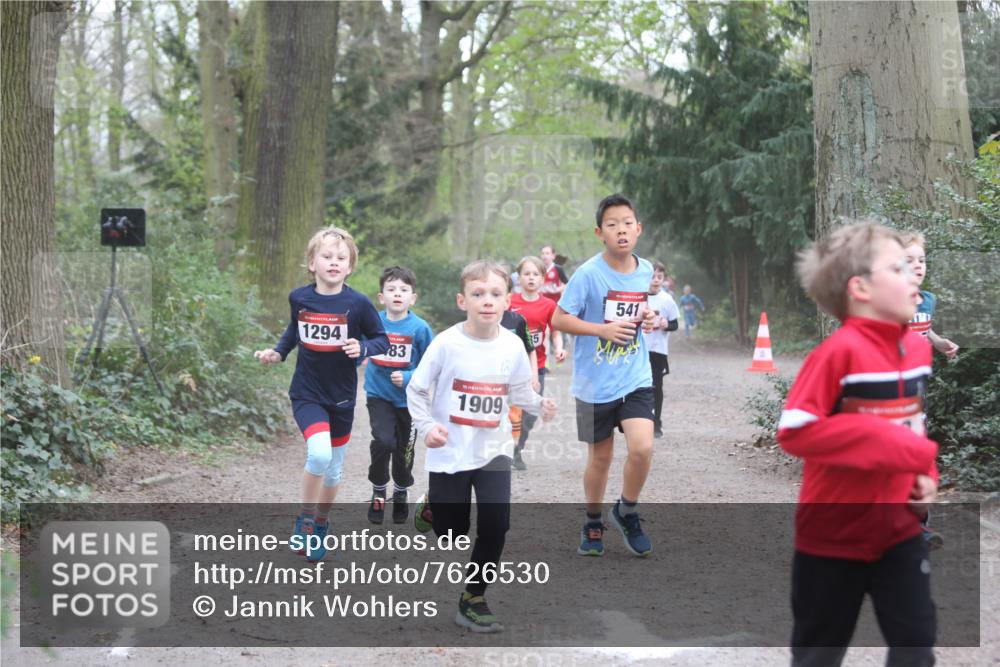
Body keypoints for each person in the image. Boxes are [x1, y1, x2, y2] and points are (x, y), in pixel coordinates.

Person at [777, 221, 938, 667]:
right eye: (899, 268)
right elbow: (794, 430)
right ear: (860, 288)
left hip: (900, 532)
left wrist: (926, 475)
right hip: (830, 538)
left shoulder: (917, 351)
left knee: (916, 650)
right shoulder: (837, 353)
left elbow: (914, 430)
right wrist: (881, 437)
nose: (914, 276)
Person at [406, 260, 557, 633]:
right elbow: (417, 389)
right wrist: (427, 427)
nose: (486, 301)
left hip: (493, 449)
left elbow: (521, 391)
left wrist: (541, 404)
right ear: (462, 301)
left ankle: (474, 597)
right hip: (450, 451)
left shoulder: (511, 345)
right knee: (452, 534)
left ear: (508, 302)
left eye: (494, 294)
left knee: (496, 524)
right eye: (478, 294)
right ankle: (433, 508)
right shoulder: (446, 343)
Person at [254, 227, 388, 563]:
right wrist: (278, 352)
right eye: (326, 256)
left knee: (333, 471)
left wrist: (364, 347)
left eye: (341, 258)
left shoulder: (358, 303)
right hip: (307, 393)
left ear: (350, 267)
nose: (334, 262)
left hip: (341, 397)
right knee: (318, 455)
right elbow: (293, 330)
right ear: (312, 263)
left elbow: (381, 339)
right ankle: (305, 520)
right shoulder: (299, 298)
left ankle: (322, 522)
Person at [551, 193, 657, 558]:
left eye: (627, 223)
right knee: (601, 459)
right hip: (594, 384)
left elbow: (641, 312)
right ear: (600, 232)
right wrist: (602, 330)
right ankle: (593, 522)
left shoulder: (645, 271)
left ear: (638, 229)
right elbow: (559, 319)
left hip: (636, 376)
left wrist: (650, 318)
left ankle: (626, 510)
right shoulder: (587, 273)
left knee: (642, 448)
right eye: (612, 225)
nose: (621, 230)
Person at [363, 266, 434, 525]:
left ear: (412, 298)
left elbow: (432, 364)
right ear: (381, 297)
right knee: (383, 441)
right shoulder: (373, 322)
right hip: (378, 395)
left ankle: (401, 490)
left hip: (410, 400)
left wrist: (407, 377)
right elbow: (361, 346)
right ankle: (379, 490)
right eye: (391, 289)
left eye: (404, 290)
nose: (397, 294)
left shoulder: (420, 328)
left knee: (405, 449)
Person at [509, 255, 566, 470]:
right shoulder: (509, 302)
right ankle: (505, 448)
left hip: (537, 365)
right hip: (511, 367)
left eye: (536, 274)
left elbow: (556, 332)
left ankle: (517, 449)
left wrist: (559, 349)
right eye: (527, 273)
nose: (531, 278)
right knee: (509, 411)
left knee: (532, 413)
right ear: (519, 277)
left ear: (542, 279)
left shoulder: (549, 305)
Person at [900, 232, 959, 359]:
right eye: (909, 261)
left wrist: (937, 342)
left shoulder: (928, 300)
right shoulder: (887, 302)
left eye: (922, 260)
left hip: (918, 370)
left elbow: (921, 326)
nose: (918, 265)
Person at [644, 261, 679, 439]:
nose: (656, 280)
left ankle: (656, 422)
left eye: (660, 277)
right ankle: (641, 422)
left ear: (664, 279)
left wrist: (667, 325)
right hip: (640, 349)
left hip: (658, 350)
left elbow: (675, 323)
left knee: (656, 386)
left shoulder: (667, 300)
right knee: (640, 387)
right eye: (652, 276)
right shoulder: (639, 297)